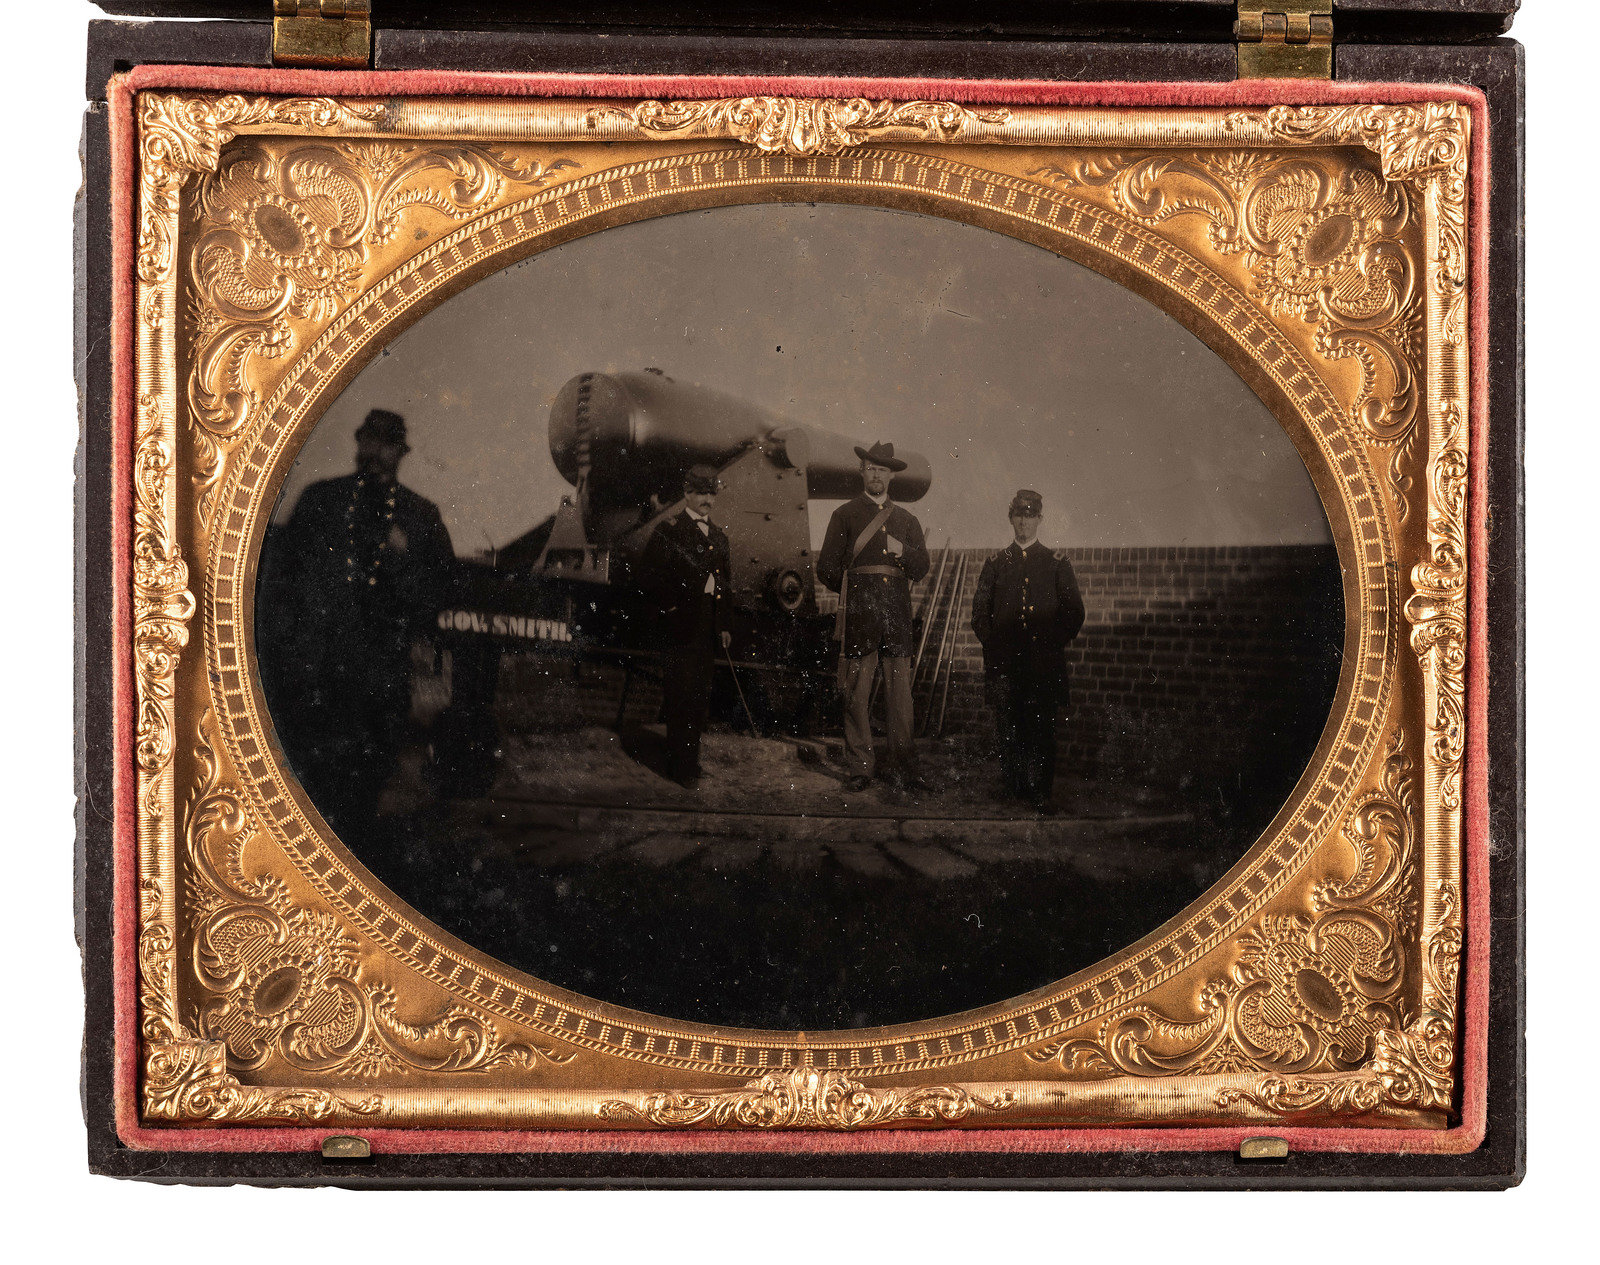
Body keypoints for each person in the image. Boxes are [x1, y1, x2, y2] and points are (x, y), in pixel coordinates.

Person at [257, 408, 456, 833]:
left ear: (402, 452)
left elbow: (441, 592)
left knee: (365, 788)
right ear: (358, 442)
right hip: (317, 671)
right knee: (307, 783)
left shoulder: (421, 517)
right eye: (369, 441)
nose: (376, 453)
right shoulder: (319, 501)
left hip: (379, 677)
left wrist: (404, 563)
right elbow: (280, 583)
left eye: (387, 445)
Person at [816, 441, 931, 793]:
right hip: (861, 616)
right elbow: (826, 568)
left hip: (896, 617)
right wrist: (856, 590)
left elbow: (922, 567)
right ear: (862, 472)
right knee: (856, 694)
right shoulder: (845, 515)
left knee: (900, 698)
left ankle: (902, 766)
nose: (876, 475)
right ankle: (860, 767)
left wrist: (903, 551)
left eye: (882, 470)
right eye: (871, 468)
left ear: (891, 475)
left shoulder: (907, 521)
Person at [969, 488, 1086, 812]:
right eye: (1019, 515)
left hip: (1042, 664)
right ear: (1011, 518)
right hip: (1006, 664)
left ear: (1040, 520)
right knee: (1009, 727)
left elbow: (1074, 611)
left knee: (1041, 728)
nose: (1024, 522)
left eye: (1030, 515)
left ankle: (1040, 791)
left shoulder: (1056, 563)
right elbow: (979, 613)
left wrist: (1050, 645)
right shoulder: (995, 565)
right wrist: (996, 646)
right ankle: (1013, 787)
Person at [640, 464, 732, 789]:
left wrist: (722, 624)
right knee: (679, 696)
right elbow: (652, 579)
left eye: (711, 493)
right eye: (700, 492)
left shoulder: (719, 537)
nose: (706, 499)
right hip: (680, 624)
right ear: (687, 494)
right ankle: (679, 768)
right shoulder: (670, 530)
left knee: (699, 698)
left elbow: (724, 584)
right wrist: (670, 611)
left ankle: (691, 763)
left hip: (707, 625)